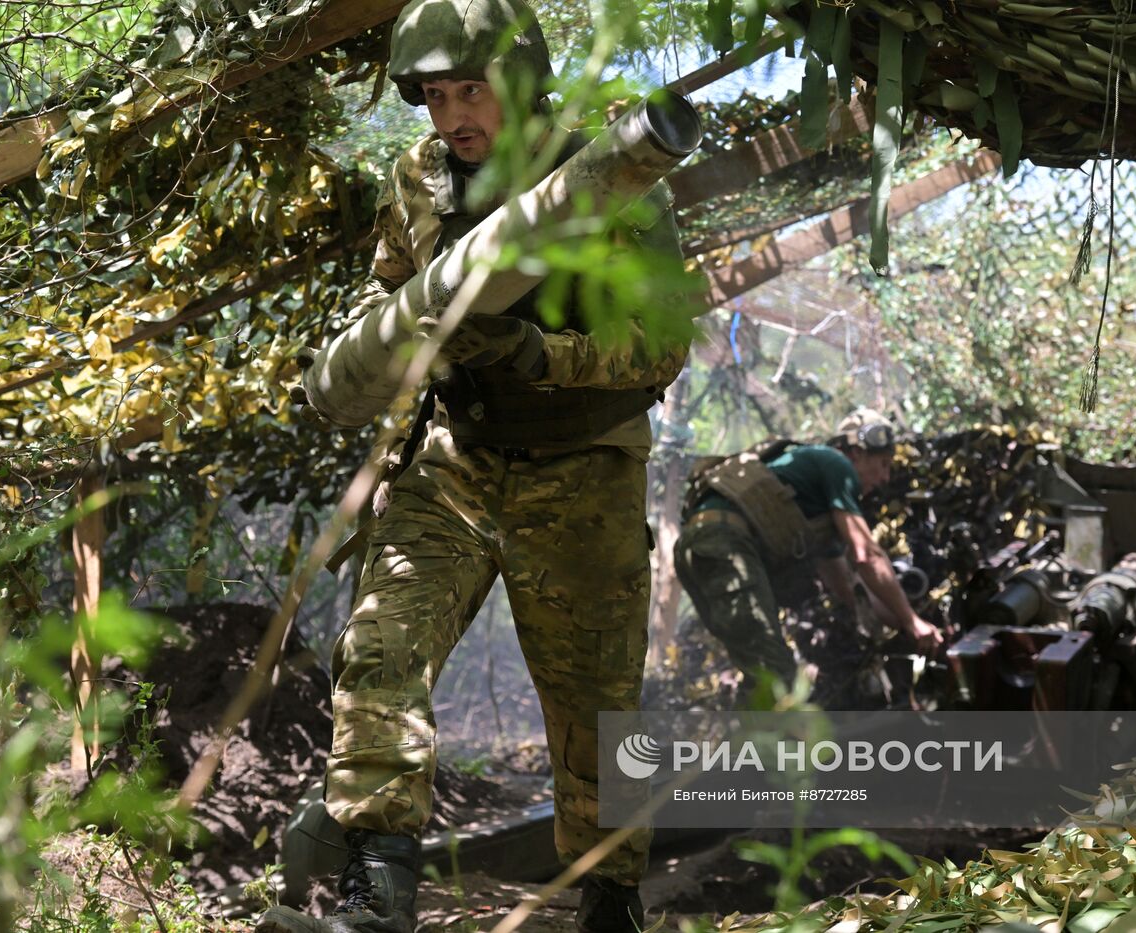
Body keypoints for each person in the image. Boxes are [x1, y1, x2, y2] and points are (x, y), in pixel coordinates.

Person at [256, 0, 692, 931]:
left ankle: (612, 897)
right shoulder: (418, 179)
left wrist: (542, 355)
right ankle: (379, 889)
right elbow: (393, 298)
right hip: (457, 456)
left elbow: (662, 344)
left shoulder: (609, 175)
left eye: (473, 91)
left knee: (601, 708)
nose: (453, 115)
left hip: (584, 467)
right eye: (435, 95)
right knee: (380, 645)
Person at [672, 408, 943, 702]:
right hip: (724, 545)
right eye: (883, 464)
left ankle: (755, 742)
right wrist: (913, 621)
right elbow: (867, 555)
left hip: (699, 549)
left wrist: (902, 622)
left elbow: (848, 589)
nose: (885, 477)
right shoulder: (837, 465)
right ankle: (766, 747)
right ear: (855, 453)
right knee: (776, 677)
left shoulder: (815, 501)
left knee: (762, 672)